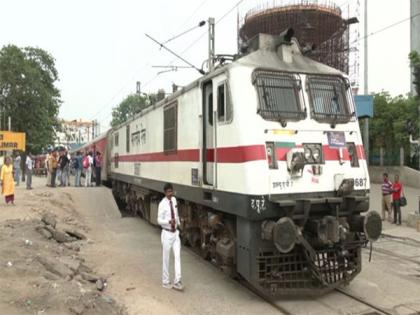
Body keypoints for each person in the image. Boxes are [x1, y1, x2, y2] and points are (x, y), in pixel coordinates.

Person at [157, 183, 183, 291]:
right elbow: (159, 220)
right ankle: (165, 281)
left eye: (171, 191)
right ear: (165, 192)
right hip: (167, 233)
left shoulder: (174, 200)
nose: (170, 194)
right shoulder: (162, 204)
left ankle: (177, 281)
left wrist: (179, 223)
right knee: (166, 258)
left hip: (175, 233)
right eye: (168, 192)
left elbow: (176, 214)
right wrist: (168, 221)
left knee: (177, 256)